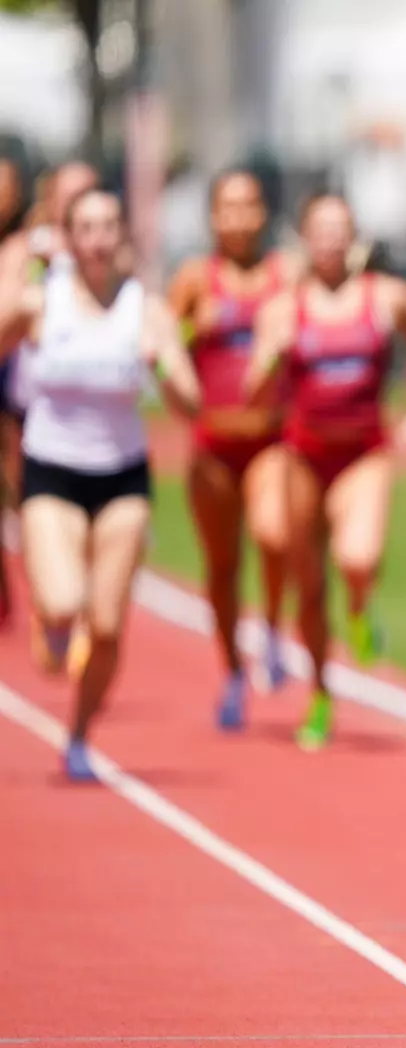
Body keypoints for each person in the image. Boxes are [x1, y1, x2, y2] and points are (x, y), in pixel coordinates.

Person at [0, 189, 200, 780]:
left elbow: (192, 405)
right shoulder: (40, 303)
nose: (97, 238)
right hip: (51, 470)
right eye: (85, 227)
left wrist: (160, 362)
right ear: (68, 236)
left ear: (123, 236)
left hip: (123, 477)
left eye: (109, 226)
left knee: (108, 625)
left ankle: (81, 733)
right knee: (65, 603)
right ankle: (52, 620)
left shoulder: (148, 310)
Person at [244, 193, 406, 750]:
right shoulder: (283, 309)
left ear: (355, 238)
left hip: (363, 454)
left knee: (357, 560)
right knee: (309, 589)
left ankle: (360, 607)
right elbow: (254, 394)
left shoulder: (387, 298)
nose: (332, 240)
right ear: (304, 240)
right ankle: (318, 692)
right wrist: (271, 358)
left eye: (341, 229)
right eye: (321, 230)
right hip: (302, 457)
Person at [168, 170, 294, 730]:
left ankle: (269, 629)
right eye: (228, 207)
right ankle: (232, 672)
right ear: (213, 217)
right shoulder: (196, 279)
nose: (239, 217)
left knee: (273, 534)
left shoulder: (283, 275)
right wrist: (195, 327)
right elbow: (159, 349)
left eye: (249, 205)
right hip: (212, 444)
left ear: (263, 213)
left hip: (269, 437)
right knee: (221, 566)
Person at [0, 161, 102, 655]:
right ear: (52, 198)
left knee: (92, 520)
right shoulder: (30, 249)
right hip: (30, 403)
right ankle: (53, 601)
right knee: (36, 506)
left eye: (90, 191)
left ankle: (69, 603)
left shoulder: (108, 251)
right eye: (71, 193)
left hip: (92, 411)